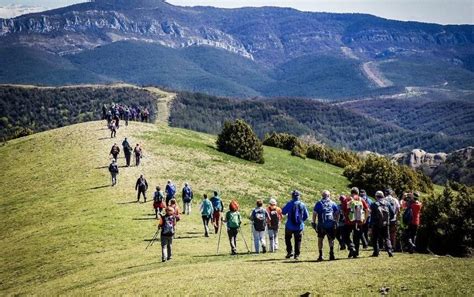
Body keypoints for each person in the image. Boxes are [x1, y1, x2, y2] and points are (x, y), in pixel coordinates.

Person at [342, 187, 370, 258]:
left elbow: (343, 210)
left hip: (349, 221)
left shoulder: (347, 199)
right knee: (356, 237)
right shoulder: (361, 199)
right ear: (358, 193)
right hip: (359, 221)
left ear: (351, 192)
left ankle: (351, 247)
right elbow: (367, 210)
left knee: (345, 236)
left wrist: (345, 216)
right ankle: (356, 253)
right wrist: (365, 219)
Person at [312, 190, 339, 261]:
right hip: (331, 224)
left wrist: (314, 222)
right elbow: (337, 213)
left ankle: (320, 255)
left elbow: (314, 213)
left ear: (322, 196)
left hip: (321, 225)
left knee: (320, 239)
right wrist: (336, 221)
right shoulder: (333, 203)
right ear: (329, 196)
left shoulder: (318, 203)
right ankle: (331, 254)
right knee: (331, 239)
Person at [282, 190, 309, 260]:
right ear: (299, 196)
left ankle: (289, 252)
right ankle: (296, 255)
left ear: (292, 196)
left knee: (287, 238)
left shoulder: (289, 203)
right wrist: (301, 221)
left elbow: (283, 212)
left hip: (289, 226)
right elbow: (306, 215)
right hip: (299, 226)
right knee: (298, 240)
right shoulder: (302, 204)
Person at [370, 191, 394, 257]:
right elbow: (392, 213)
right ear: (383, 196)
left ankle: (376, 252)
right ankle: (390, 251)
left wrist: (371, 225)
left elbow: (372, 215)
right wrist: (388, 220)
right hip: (386, 223)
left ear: (376, 196)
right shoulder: (387, 203)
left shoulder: (374, 204)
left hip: (376, 224)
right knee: (387, 238)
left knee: (375, 238)